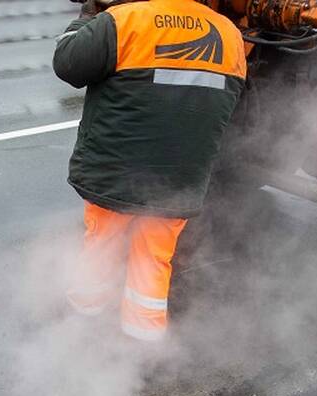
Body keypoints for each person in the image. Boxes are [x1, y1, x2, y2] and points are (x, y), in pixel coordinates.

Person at [53, 0, 246, 342]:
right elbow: (230, 100)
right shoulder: (228, 33)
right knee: (155, 258)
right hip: (181, 175)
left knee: (101, 247)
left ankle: (84, 328)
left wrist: (88, 16)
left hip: (116, 171)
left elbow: (68, 63)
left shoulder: (123, 20)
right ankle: (143, 342)